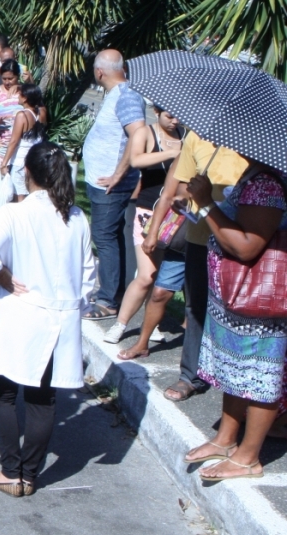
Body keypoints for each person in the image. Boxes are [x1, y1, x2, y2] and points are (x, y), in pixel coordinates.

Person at [0, 143, 97, 496]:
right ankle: (28, 473)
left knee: (2, 394)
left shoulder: (15, 213)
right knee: (43, 399)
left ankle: (10, 470)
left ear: (27, 173)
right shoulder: (76, 217)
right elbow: (88, 276)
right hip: (61, 318)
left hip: (20, 312)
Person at [180, 158, 287, 481]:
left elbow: (246, 247)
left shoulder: (267, 183)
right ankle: (226, 440)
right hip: (238, 302)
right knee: (236, 370)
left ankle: (247, 457)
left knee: (259, 374)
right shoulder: (257, 176)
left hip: (259, 304)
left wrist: (207, 203)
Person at [150, 134, 248, 402]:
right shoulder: (197, 136)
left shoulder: (254, 141)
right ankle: (189, 375)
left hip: (239, 240)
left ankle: (238, 385)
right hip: (199, 238)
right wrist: (185, 198)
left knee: (239, 315)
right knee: (196, 308)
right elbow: (182, 185)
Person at [104, 107, 185, 354]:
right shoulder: (146, 132)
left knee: (161, 276)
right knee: (146, 275)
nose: (174, 120)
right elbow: (136, 160)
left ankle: (154, 325)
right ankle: (121, 324)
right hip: (148, 211)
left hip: (176, 215)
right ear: (157, 111)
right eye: (169, 115)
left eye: (178, 116)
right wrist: (173, 152)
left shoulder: (185, 135)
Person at [80, 49, 146, 320]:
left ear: (99, 72)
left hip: (111, 184)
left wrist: (119, 173)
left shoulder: (126, 96)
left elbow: (138, 132)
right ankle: (114, 290)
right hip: (103, 181)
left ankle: (108, 301)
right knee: (111, 236)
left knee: (105, 238)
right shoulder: (119, 94)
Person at [0, 82, 44, 203]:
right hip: (34, 159)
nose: (17, 96)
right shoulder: (41, 113)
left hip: (20, 161)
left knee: (19, 196)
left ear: (25, 98)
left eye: (20, 94)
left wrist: (4, 162)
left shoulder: (22, 115)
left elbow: (14, 141)